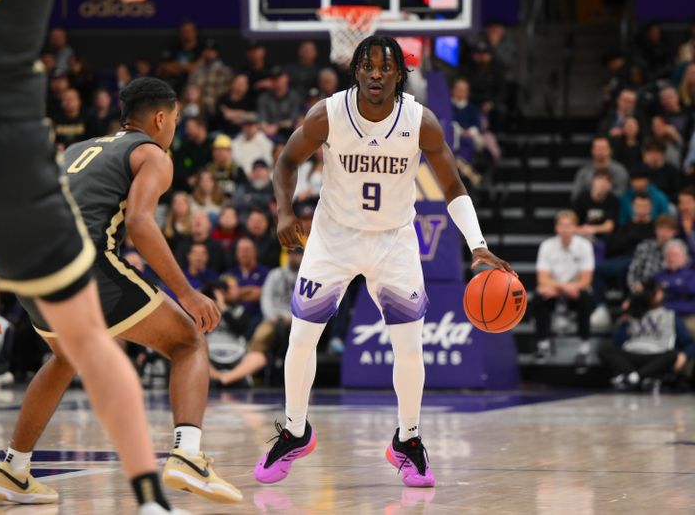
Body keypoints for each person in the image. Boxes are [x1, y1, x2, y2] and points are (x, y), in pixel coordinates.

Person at [0, 0, 180, 514]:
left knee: (78, 349)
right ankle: (151, 500)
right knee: (91, 343)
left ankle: (24, 471)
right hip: (5, 136)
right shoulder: (142, 153)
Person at [0, 78, 240, 505]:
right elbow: (139, 222)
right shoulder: (152, 154)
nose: (174, 128)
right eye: (175, 120)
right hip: (86, 267)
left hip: (32, 272)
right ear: (160, 119)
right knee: (188, 342)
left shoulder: (75, 151)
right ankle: (188, 456)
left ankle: (13, 468)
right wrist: (187, 294)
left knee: (65, 357)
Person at [254, 36, 513, 488]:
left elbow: (453, 188)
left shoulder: (421, 122)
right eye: (369, 66)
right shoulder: (328, 113)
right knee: (301, 338)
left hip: (394, 240)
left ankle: (407, 441)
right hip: (333, 238)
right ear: (356, 70)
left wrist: (477, 244)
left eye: (386, 67)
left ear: (399, 74)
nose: (377, 74)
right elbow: (286, 162)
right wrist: (283, 211)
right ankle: (296, 431)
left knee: (409, 347)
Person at [212, 249, 302, 386]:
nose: (294, 257)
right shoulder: (275, 274)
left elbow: (309, 303)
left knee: (305, 340)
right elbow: (265, 298)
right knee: (261, 334)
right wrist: (272, 317)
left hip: (300, 320)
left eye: (298, 254)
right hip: (273, 317)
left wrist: (293, 319)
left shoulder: (308, 276)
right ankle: (247, 372)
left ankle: (301, 376)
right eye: (291, 254)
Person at [598, 278, 694, 390]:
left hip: (656, 355)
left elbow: (690, 343)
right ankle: (641, 378)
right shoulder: (632, 315)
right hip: (632, 354)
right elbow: (617, 342)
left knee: (672, 354)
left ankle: (633, 378)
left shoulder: (670, 316)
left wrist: (685, 355)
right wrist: (625, 318)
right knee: (605, 349)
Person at [533, 211, 595, 362]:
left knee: (586, 298)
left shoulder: (585, 246)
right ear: (556, 228)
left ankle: (584, 345)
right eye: (562, 225)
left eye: (569, 225)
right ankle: (543, 344)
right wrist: (564, 288)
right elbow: (542, 278)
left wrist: (568, 288)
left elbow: (586, 280)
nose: (565, 229)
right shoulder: (546, 246)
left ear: (575, 227)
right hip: (555, 290)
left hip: (575, 290)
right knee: (538, 297)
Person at [627, 214, 679, 291]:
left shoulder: (679, 250)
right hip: (643, 289)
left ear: (675, 232)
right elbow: (633, 271)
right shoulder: (644, 246)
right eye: (661, 228)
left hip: (668, 290)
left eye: (668, 230)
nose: (664, 233)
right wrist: (634, 286)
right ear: (656, 230)